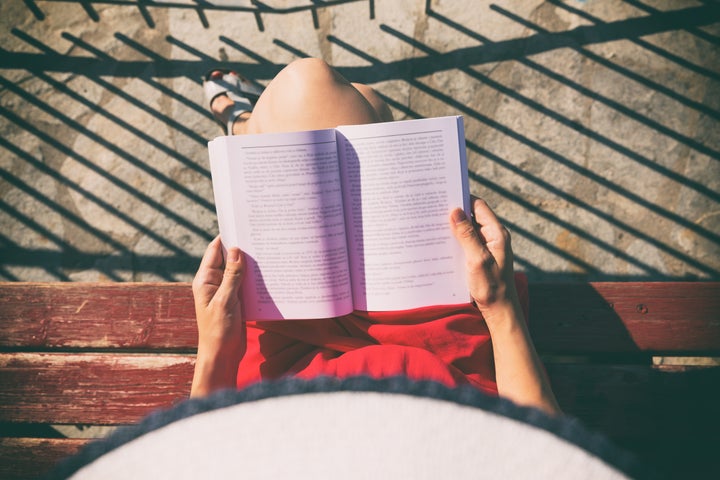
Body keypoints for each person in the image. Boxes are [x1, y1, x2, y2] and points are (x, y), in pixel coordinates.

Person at [190, 58, 560, 416]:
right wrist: (499, 305)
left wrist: (214, 352)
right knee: (355, 104)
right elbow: (551, 452)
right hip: (439, 354)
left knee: (309, 86)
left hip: (291, 364)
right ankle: (247, 124)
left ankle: (245, 124)